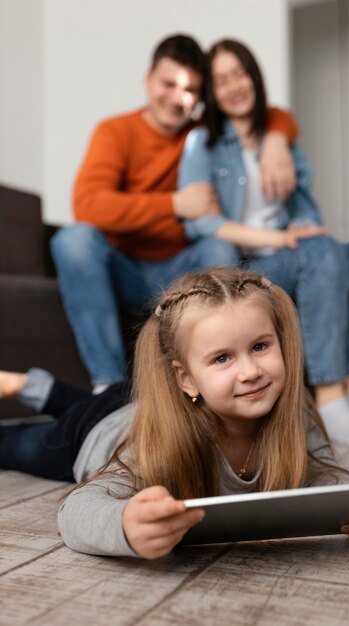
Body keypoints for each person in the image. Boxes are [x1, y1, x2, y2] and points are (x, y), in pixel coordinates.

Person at [0, 268, 349, 559]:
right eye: (223, 357)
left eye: (260, 346)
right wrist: (123, 524)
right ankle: (23, 386)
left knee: (97, 399)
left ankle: (38, 387)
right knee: (21, 445)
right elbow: (76, 511)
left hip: (144, 400)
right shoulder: (154, 446)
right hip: (93, 430)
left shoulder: (292, 416)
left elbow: (327, 474)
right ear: (186, 378)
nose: (250, 371)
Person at [178, 38, 349, 448]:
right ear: (211, 93)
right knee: (320, 252)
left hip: (292, 250)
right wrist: (281, 238)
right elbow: (204, 225)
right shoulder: (203, 144)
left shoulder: (279, 134)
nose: (233, 86)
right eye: (221, 80)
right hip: (249, 264)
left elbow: (302, 204)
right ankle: (330, 399)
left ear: (255, 76)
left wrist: (301, 226)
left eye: (240, 73)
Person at [50, 34, 298, 393]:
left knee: (217, 247)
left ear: (201, 98)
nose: (177, 97)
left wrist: (276, 140)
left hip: (182, 266)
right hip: (124, 268)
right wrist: (175, 204)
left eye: (191, 90)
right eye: (169, 84)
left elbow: (275, 115)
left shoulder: (200, 137)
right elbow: (88, 205)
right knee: (73, 239)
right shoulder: (115, 131)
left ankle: (218, 376)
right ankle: (108, 386)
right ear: (148, 79)